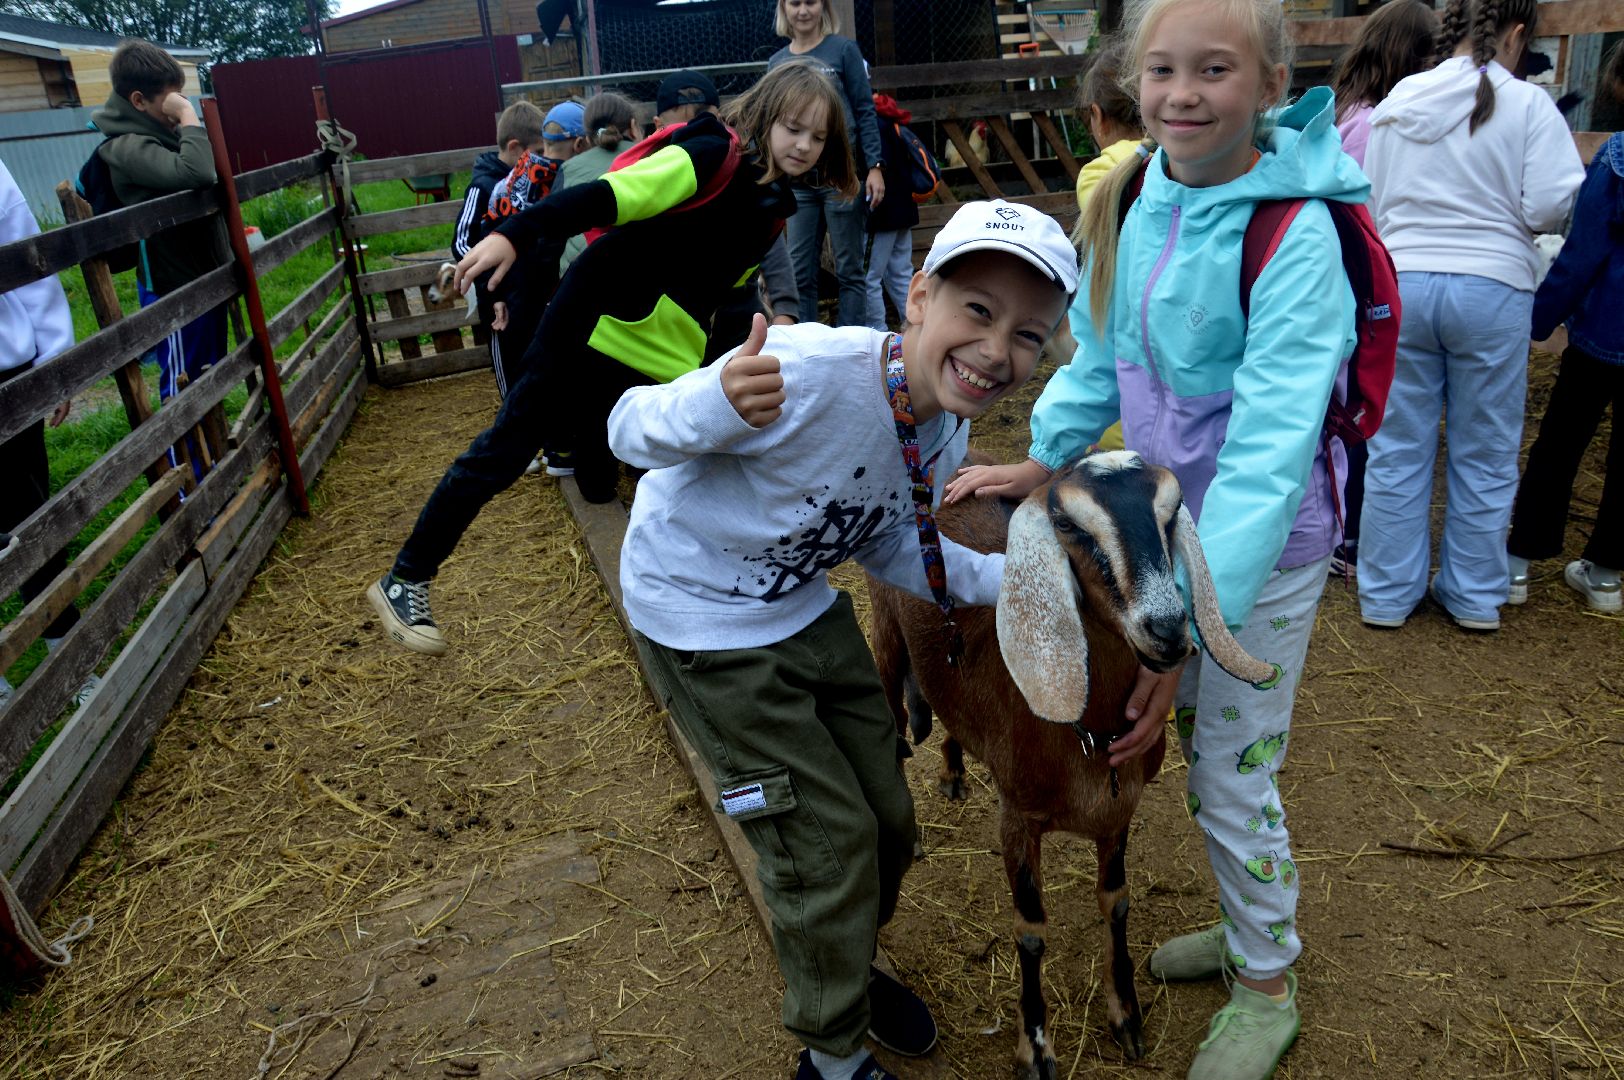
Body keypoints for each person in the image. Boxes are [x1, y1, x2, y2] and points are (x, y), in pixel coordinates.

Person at [947, 0, 1369, 1074]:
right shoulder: (1137, 193)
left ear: (1271, 84)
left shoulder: (1297, 240)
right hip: (1156, 531)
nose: (1183, 94)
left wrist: (1188, 632)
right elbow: (1101, 348)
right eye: (1163, 70)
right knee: (1190, 745)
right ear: (1134, 80)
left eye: (1215, 70)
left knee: (1228, 769)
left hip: (1257, 555)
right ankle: (1245, 926)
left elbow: (1269, 459)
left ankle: (1265, 981)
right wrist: (1046, 454)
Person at [612, 198, 1075, 1080]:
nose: (996, 350)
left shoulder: (945, 424)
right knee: (823, 846)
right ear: (919, 297)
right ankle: (831, 1056)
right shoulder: (807, 369)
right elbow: (626, 426)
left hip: (797, 598)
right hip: (700, 614)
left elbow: (891, 537)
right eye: (978, 311)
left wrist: (1020, 583)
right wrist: (713, 401)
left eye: (1027, 334)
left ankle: (845, 960)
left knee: (889, 821)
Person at [368, 63, 857, 656]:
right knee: (509, 447)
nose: (804, 145)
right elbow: (610, 197)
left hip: (659, 356)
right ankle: (407, 578)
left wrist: (743, 356)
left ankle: (707, 606)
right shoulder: (712, 154)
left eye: (818, 137)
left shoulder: (773, 203)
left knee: (688, 472)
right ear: (767, 115)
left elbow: (726, 296)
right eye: (793, 128)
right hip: (590, 324)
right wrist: (515, 233)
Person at [1357, 0, 1584, 632]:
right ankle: (1474, 594)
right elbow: (1548, 207)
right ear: (1517, 33)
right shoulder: (1529, 104)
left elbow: (1371, 200)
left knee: (1396, 447)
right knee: (1486, 450)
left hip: (1404, 285)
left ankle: (1386, 593)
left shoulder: (1402, 99)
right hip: (1492, 288)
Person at [1321, 0, 1439, 578]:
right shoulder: (1376, 124)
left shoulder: (1346, 112)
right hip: (1362, 283)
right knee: (1366, 409)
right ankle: (1350, 535)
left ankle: (1345, 527)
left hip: (1340, 280)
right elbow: (1369, 211)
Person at [1507, 41, 1624, 614]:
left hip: (1605, 333)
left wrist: (1540, 317)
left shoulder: (1616, 159)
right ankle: (1606, 576)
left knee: (1561, 440)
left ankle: (1518, 563)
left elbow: (1582, 254)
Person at [92, 39, 230, 478]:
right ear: (138, 101)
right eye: (169, 98)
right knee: (182, 388)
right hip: (172, 287)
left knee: (207, 376)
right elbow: (199, 172)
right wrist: (188, 115)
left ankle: (213, 475)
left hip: (200, 277)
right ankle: (188, 488)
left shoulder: (160, 136)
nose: (177, 105)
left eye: (180, 97)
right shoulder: (126, 147)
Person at [0, 159, 100, 711]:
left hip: (5, 371)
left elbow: (23, 248)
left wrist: (54, 358)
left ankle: (69, 657)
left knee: (28, 517)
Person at [477, 100, 585, 478]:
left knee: (528, 372)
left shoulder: (509, 181)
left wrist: (495, 294)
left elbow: (489, 235)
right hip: (552, 290)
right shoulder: (572, 178)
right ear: (580, 144)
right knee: (559, 367)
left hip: (515, 292)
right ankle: (558, 450)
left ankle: (533, 449)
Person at [769, 0, 885, 326]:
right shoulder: (778, 62)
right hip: (798, 184)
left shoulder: (843, 51)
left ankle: (850, 342)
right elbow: (771, 122)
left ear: (823, 7)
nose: (803, 10)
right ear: (784, 9)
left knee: (850, 269)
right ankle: (805, 342)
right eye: (795, 3)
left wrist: (875, 166)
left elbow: (864, 110)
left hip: (840, 178)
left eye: (811, 2)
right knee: (799, 272)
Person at [862, 93, 920, 330]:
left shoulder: (870, 127)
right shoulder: (893, 121)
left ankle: (878, 334)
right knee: (901, 273)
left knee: (868, 278)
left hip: (881, 213)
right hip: (904, 210)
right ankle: (917, 328)